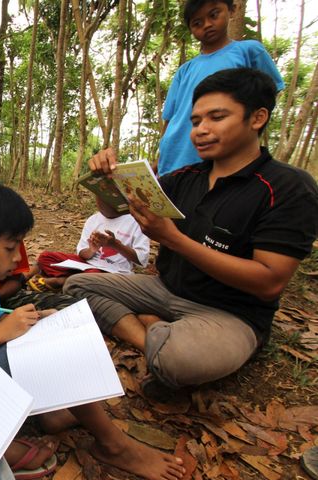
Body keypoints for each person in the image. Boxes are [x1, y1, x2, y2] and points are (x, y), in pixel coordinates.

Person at [0, 180, 187, 480]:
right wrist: (2, 333)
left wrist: (34, 319)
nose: (19, 259)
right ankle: (114, 446)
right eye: (9, 249)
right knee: (49, 352)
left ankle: (54, 409)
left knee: (50, 331)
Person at [67, 68, 318, 398]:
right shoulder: (183, 178)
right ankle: (153, 334)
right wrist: (104, 179)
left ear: (257, 118)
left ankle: (162, 337)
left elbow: (269, 280)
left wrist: (173, 239)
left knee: (180, 361)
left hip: (229, 312)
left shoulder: (288, 188)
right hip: (163, 287)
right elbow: (113, 210)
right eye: (196, 121)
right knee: (76, 285)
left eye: (216, 117)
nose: (201, 130)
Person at [157, 0, 284, 176]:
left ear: (232, 10)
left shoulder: (249, 51)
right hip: (175, 156)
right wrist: (161, 156)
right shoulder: (185, 70)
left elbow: (269, 94)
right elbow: (171, 117)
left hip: (218, 155)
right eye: (197, 23)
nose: (207, 25)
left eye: (214, 15)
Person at [28, 195, 150, 292]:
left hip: (113, 273)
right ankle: (71, 280)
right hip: (87, 265)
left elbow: (141, 260)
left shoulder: (136, 221)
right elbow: (82, 254)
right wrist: (92, 250)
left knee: (92, 277)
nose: (99, 202)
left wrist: (115, 245)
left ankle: (61, 281)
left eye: (103, 198)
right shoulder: (94, 219)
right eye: (97, 197)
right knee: (46, 257)